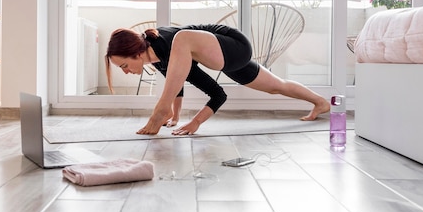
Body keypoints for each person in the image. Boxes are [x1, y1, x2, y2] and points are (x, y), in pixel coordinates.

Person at [105, 24, 331, 135]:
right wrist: (189, 120)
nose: (125, 72)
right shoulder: (163, 61)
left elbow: (175, 80)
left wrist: (164, 110)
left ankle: (160, 109)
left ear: (135, 52)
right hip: (227, 60)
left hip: (234, 45)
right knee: (276, 87)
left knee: (181, 38)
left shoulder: (167, 42)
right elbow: (215, 93)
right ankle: (320, 102)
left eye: (123, 65)